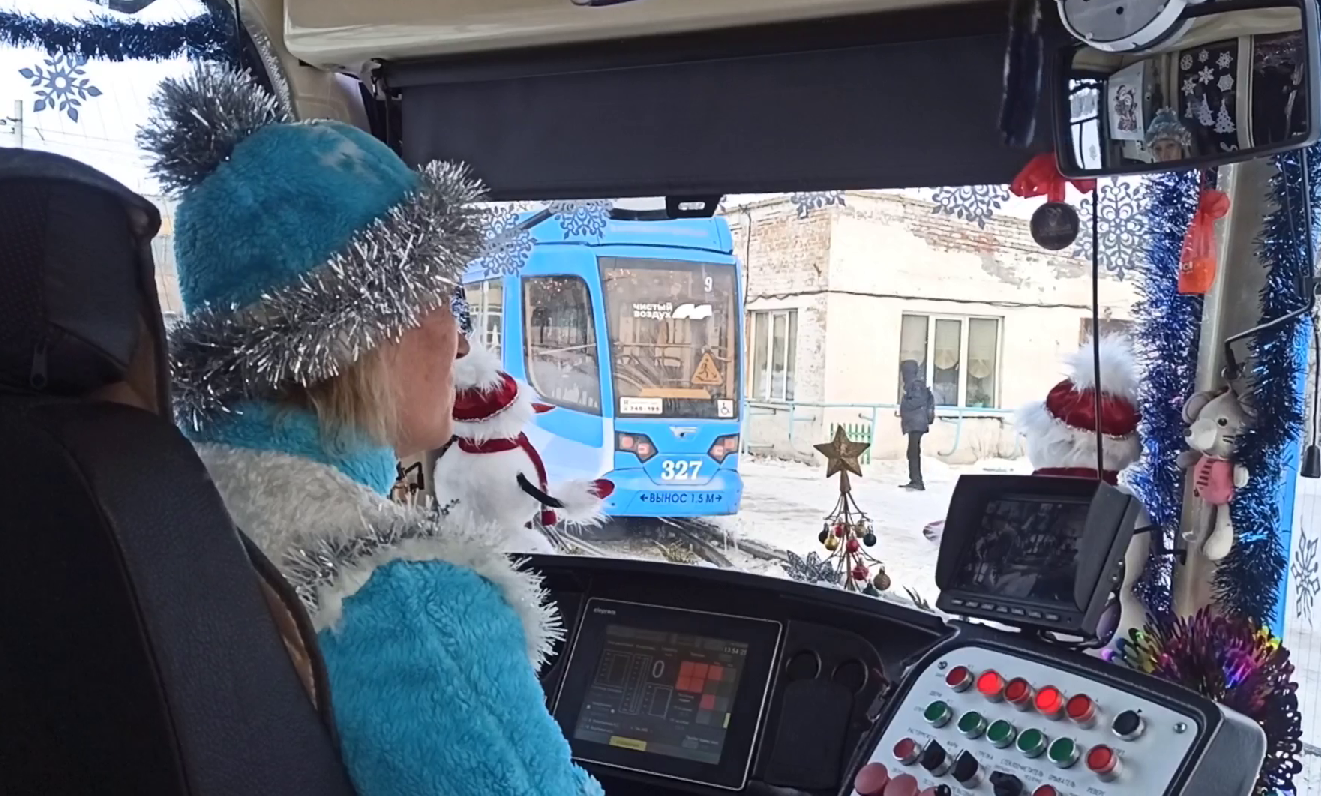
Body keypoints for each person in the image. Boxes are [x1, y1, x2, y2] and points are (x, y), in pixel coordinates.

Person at [138, 64, 602, 796]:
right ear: (367, 333)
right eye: (443, 300)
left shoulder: (156, 501)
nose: (459, 342)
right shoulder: (405, 596)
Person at [899, 359, 935, 490]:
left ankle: (917, 481)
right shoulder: (914, 384)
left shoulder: (915, 385)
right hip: (916, 422)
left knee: (913, 452)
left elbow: (917, 401)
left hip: (916, 423)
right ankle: (915, 479)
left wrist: (904, 406)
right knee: (912, 451)